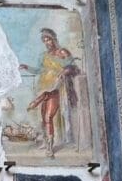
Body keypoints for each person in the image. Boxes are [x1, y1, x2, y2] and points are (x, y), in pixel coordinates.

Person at [20, 28, 80, 157]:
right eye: (44, 40)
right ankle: (48, 144)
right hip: (44, 85)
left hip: (58, 87)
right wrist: (27, 67)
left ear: (54, 39)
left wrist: (64, 71)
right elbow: (38, 71)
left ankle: (50, 149)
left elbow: (73, 67)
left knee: (48, 117)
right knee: (44, 119)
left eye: (49, 39)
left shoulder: (63, 52)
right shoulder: (43, 56)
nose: (47, 42)